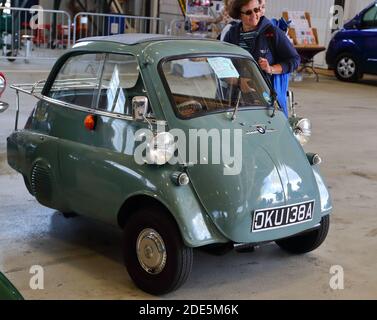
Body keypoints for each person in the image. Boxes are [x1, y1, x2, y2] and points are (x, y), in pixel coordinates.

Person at [223, 0, 300, 117]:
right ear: (239, 15)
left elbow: (294, 60)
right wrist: (239, 82)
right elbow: (222, 64)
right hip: (233, 98)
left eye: (256, 10)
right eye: (248, 12)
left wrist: (271, 69)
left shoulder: (273, 33)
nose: (254, 15)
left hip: (263, 100)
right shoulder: (232, 34)